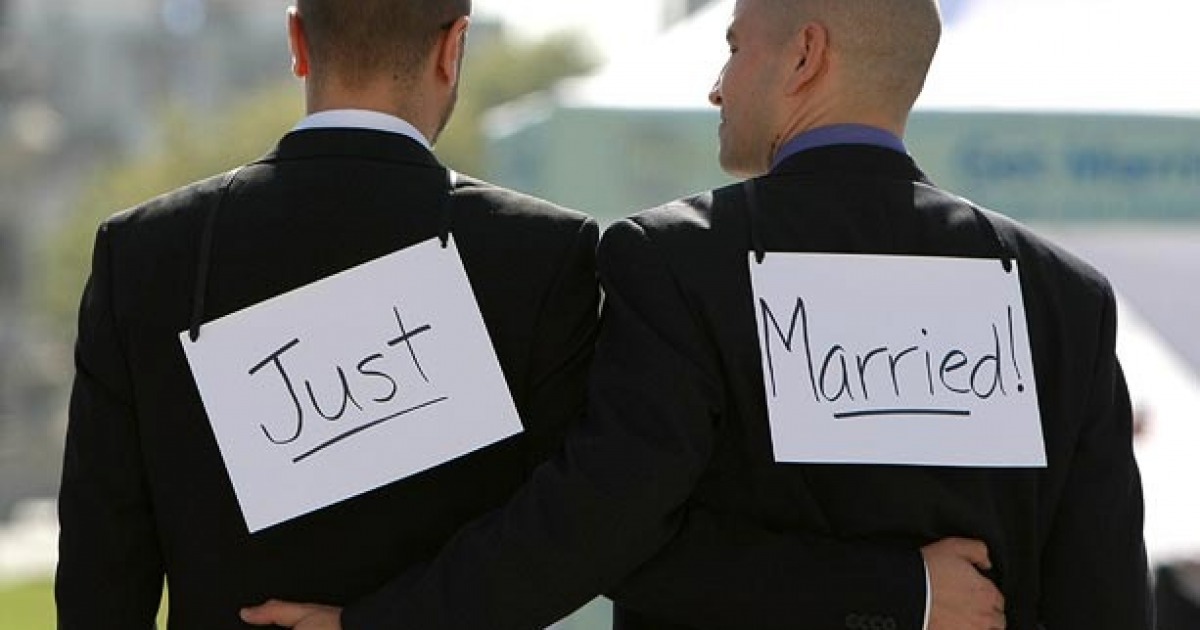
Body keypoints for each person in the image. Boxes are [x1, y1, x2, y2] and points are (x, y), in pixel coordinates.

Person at [244, 0, 1152, 628]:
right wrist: (901, 593)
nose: (718, 85)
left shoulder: (675, 260)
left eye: (733, 47)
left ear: (804, 56)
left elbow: (607, 532)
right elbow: (1106, 596)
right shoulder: (1064, 297)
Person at [54, 1, 603, 627]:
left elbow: (100, 575)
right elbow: (565, 537)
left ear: (297, 39)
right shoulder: (542, 255)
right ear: (454, 48)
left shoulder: (146, 253)